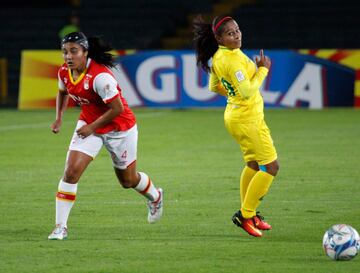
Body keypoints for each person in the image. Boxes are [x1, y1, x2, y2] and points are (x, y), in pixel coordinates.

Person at [48, 32, 163, 240]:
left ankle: (155, 196)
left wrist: (92, 127)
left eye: (74, 51)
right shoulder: (64, 72)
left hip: (120, 128)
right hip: (89, 125)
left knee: (128, 181)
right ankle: (60, 227)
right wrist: (59, 118)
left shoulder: (100, 76)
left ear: (85, 52)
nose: (68, 56)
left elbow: (117, 108)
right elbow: (62, 92)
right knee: (71, 172)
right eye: (65, 52)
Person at [193, 15, 279, 237]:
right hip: (247, 119)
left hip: (237, 116)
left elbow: (214, 86)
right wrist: (263, 70)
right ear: (219, 38)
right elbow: (247, 92)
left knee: (252, 165)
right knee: (270, 167)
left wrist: (233, 92)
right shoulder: (232, 60)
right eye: (230, 33)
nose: (237, 35)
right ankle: (245, 214)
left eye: (237, 30)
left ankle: (250, 213)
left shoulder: (221, 56)